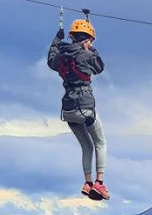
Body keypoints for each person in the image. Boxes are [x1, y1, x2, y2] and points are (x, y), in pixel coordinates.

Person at [47, 18, 109, 200]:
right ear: (87, 39)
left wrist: (56, 40)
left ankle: (87, 183)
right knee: (100, 142)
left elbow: (51, 60)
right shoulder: (86, 55)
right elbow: (100, 67)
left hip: (68, 109)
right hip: (85, 106)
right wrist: (91, 49)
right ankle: (99, 183)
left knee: (86, 146)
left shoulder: (61, 56)